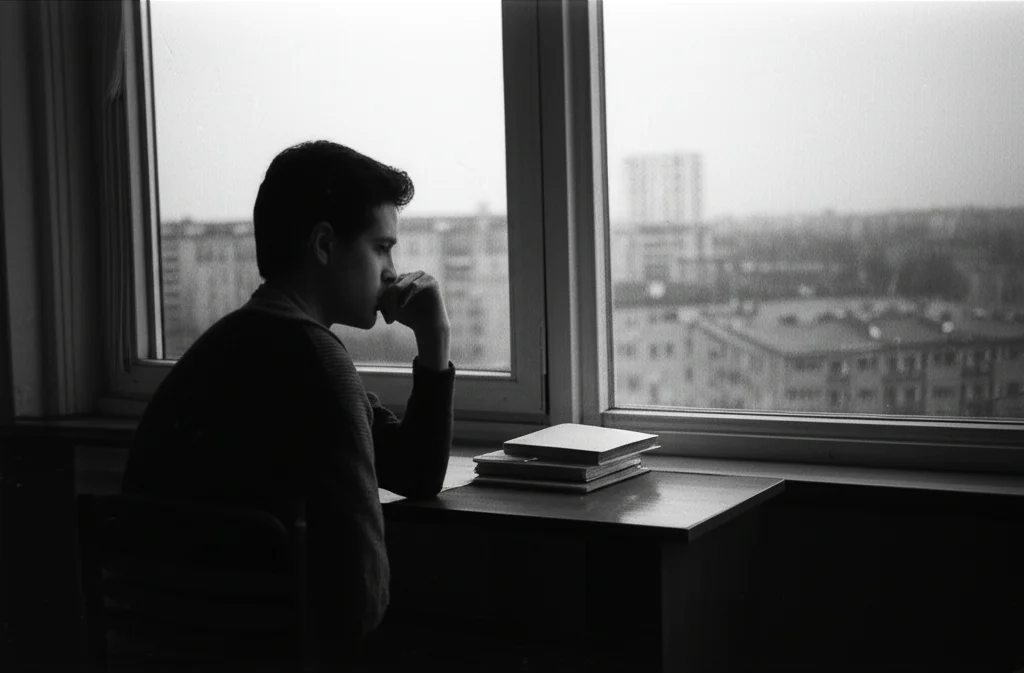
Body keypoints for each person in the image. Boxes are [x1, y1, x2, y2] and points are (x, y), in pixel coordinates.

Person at [121, 140, 455, 666]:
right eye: (381, 247)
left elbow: (413, 471)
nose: (393, 271)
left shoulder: (228, 343)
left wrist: (432, 340)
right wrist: (437, 337)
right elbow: (361, 604)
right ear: (324, 244)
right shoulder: (318, 360)